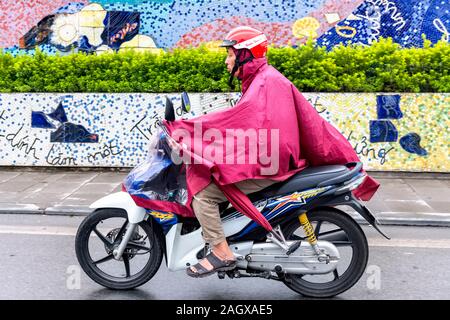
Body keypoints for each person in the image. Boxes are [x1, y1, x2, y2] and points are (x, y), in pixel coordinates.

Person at [186, 27, 278, 278]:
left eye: (229, 54)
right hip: (268, 159)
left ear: (245, 55)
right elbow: (240, 124)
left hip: (269, 165)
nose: (226, 60)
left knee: (203, 195)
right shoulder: (262, 79)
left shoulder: (261, 83)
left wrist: (190, 132)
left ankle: (221, 252)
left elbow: (235, 122)